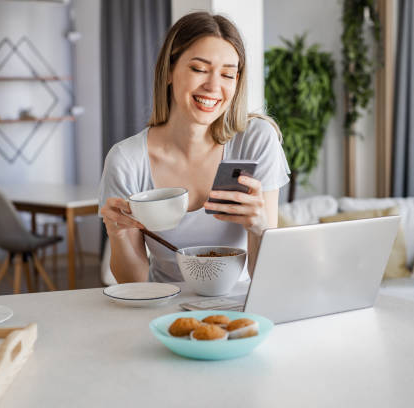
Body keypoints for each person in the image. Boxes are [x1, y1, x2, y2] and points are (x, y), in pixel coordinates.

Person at [99, 11, 290, 283]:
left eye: (228, 75)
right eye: (199, 69)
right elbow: (135, 284)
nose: (213, 86)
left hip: (239, 310)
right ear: (169, 71)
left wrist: (260, 228)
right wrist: (117, 234)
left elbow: (266, 277)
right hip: (163, 310)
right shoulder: (127, 159)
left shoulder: (255, 140)